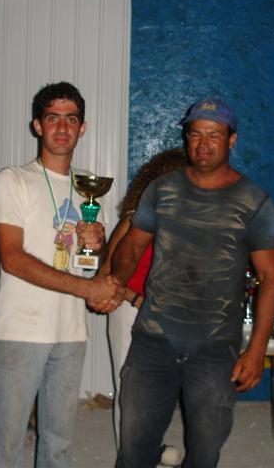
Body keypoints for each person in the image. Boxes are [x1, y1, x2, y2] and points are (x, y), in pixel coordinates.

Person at [107, 98, 274, 467]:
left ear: (232, 139)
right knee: (135, 447)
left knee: (205, 451)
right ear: (186, 138)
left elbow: (271, 276)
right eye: (196, 134)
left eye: (214, 135)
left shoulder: (255, 202)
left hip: (215, 348)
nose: (203, 143)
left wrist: (256, 350)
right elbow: (132, 245)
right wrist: (117, 281)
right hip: (153, 340)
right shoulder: (161, 190)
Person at [0, 81, 124, 468]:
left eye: (71, 119)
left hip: (70, 332)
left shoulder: (88, 188)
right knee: (7, 443)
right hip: (20, 329)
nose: (62, 127)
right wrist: (88, 289)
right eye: (52, 118)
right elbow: (13, 259)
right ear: (37, 126)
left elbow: (90, 264)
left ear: (83, 127)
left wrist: (96, 245)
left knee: (59, 442)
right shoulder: (13, 180)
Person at [99, 148, 187, 465]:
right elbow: (106, 272)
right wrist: (133, 298)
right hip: (130, 311)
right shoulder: (134, 219)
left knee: (159, 391)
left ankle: (149, 449)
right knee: (130, 389)